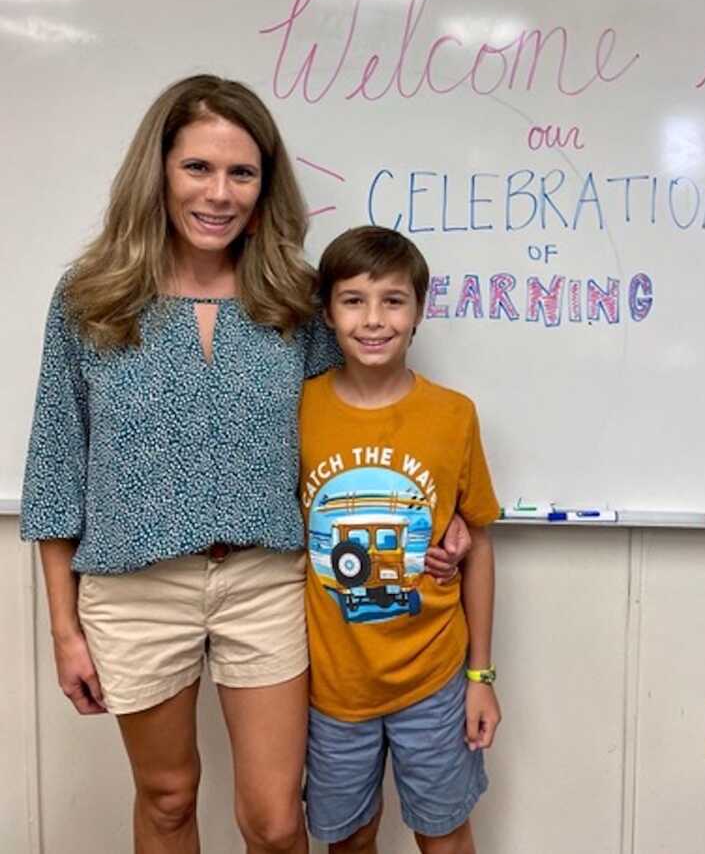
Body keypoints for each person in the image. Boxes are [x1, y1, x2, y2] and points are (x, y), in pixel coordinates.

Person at [20, 75, 465, 854]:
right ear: (157, 171)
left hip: (266, 583)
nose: (219, 193)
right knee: (166, 799)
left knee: (273, 818)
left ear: (265, 185)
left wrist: (442, 512)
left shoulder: (295, 295)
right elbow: (57, 465)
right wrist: (64, 628)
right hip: (133, 591)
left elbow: (355, 421)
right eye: (198, 168)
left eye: (241, 172)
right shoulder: (90, 297)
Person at [299, 225, 501, 854]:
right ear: (327, 312)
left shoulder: (453, 414)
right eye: (353, 299)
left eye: (393, 300)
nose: (374, 319)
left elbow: (482, 544)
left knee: (443, 833)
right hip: (333, 683)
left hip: (435, 677)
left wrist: (481, 675)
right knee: (349, 838)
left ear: (418, 312)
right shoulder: (297, 409)